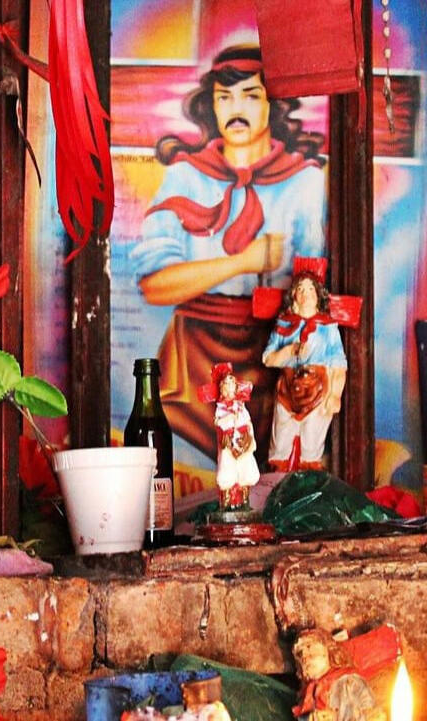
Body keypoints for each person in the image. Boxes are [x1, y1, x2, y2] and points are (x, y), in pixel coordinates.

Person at [129, 44, 327, 465]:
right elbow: (154, 285)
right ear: (212, 106)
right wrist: (243, 262)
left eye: (250, 96)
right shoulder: (184, 176)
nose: (236, 109)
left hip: (271, 357)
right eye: (224, 97)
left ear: (273, 105)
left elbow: (318, 293)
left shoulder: (305, 182)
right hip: (191, 365)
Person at [262, 259, 348, 471]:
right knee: (281, 440)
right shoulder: (284, 325)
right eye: (300, 289)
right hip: (288, 388)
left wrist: (335, 394)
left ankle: (309, 477)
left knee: (312, 440)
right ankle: (279, 477)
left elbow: (338, 364)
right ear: (293, 295)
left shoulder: (328, 328)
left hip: (317, 388)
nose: (306, 293)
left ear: (318, 295)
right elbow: (267, 358)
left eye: (311, 289)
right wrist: (288, 351)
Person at [198, 362, 260, 510]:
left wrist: (249, 439)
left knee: (246, 469)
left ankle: (244, 498)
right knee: (227, 470)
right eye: (226, 385)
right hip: (228, 443)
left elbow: (247, 422)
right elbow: (219, 422)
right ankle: (227, 500)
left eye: (232, 384)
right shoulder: (221, 409)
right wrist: (230, 420)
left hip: (243, 442)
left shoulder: (241, 407)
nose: (230, 387)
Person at [292, 629, 387, 721]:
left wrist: (333, 716)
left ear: (327, 649)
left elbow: (367, 712)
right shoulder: (309, 693)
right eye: (299, 653)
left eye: (309, 646)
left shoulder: (348, 681)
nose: (304, 656)